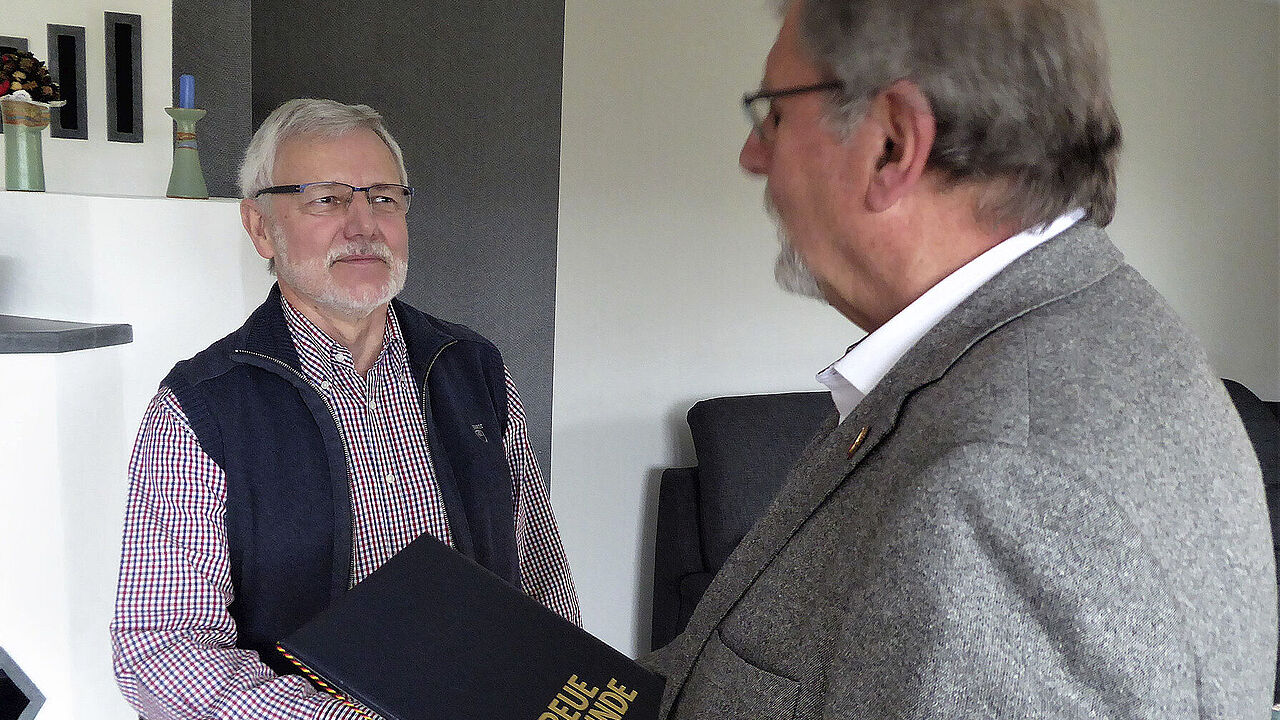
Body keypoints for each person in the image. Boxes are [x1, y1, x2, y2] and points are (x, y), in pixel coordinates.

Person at [644, 1, 1277, 717]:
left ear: (893, 143)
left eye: (776, 115)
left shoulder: (1011, 489)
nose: (753, 155)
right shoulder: (1035, 345)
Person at [110, 98, 579, 720]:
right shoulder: (203, 407)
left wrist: (554, 688)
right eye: (326, 200)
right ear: (259, 229)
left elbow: (538, 569)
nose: (363, 226)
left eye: (383, 198)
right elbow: (160, 648)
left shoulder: (473, 368)